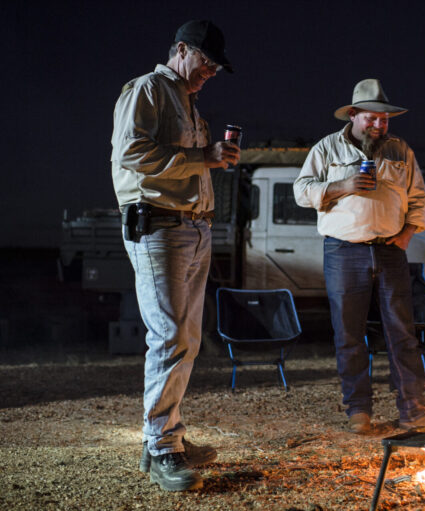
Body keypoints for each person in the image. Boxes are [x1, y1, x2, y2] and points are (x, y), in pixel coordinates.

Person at [111, 20, 240, 490]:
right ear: (181, 49)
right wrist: (204, 157)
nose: (209, 74)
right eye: (206, 63)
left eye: (215, 69)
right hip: (159, 226)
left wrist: (211, 159)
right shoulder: (147, 90)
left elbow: (186, 161)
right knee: (169, 336)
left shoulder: (188, 102)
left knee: (185, 339)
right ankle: (163, 446)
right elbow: (131, 152)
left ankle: (163, 438)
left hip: (192, 227)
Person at [294, 78, 425, 434]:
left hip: (390, 250)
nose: (378, 125)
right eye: (371, 119)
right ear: (353, 115)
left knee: (401, 331)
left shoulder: (400, 150)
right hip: (343, 250)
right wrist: (344, 185)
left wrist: (406, 234)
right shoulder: (327, 148)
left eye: (384, 120)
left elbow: (418, 197)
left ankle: (412, 407)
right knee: (349, 333)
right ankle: (358, 409)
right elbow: (301, 191)